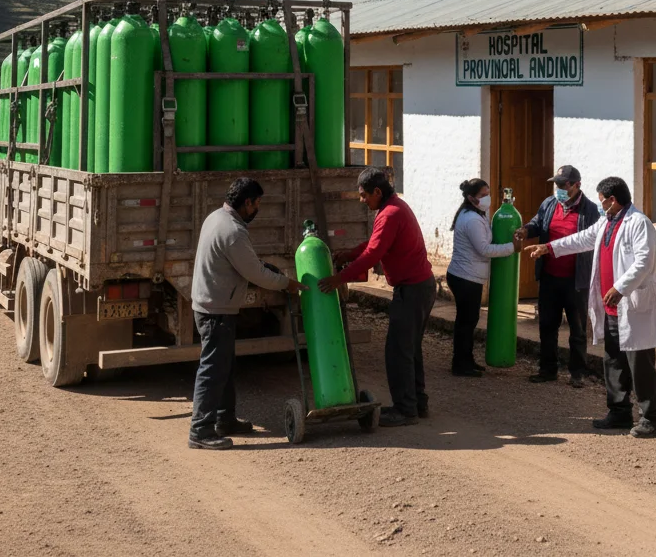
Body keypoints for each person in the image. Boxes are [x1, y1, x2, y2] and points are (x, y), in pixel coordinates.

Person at [524, 176, 656, 438]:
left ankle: (651, 418)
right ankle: (619, 412)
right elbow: (582, 239)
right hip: (611, 306)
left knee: (640, 365)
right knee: (613, 361)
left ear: (613, 200)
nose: (600, 204)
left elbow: (644, 262)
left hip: (632, 306)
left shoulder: (639, 223)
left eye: (603, 200)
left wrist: (620, 287)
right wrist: (549, 247)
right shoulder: (607, 221)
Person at [189, 177, 303, 450]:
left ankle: (224, 420)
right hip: (215, 309)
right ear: (247, 202)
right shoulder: (233, 231)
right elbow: (254, 273)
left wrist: (265, 266)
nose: (258, 209)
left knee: (224, 367)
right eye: (257, 204)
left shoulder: (217, 218)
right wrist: (286, 283)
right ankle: (200, 431)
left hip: (210, 304)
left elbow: (244, 261)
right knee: (213, 370)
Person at [318, 167, 436, 427]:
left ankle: (406, 410)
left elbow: (373, 255)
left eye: (364, 196)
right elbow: (374, 245)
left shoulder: (390, 213)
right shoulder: (393, 208)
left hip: (412, 290)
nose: (362, 200)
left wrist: (339, 278)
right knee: (410, 349)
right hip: (420, 287)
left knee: (397, 352)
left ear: (377, 192)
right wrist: (350, 253)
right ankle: (418, 403)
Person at [513, 164, 600, 387]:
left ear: (577, 185)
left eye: (563, 185)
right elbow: (537, 224)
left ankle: (578, 372)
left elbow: (594, 241)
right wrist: (525, 231)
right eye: (557, 185)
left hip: (576, 280)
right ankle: (548, 369)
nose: (559, 189)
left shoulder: (590, 210)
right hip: (550, 276)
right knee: (547, 325)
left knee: (577, 329)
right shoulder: (549, 204)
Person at [446, 178, 521, 377]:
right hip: (466, 278)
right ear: (471, 198)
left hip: (467, 276)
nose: (487, 198)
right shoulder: (471, 219)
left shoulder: (475, 213)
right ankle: (460, 364)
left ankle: (466, 360)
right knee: (466, 322)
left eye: (488, 193)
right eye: (482, 195)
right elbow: (484, 249)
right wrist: (512, 248)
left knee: (468, 320)